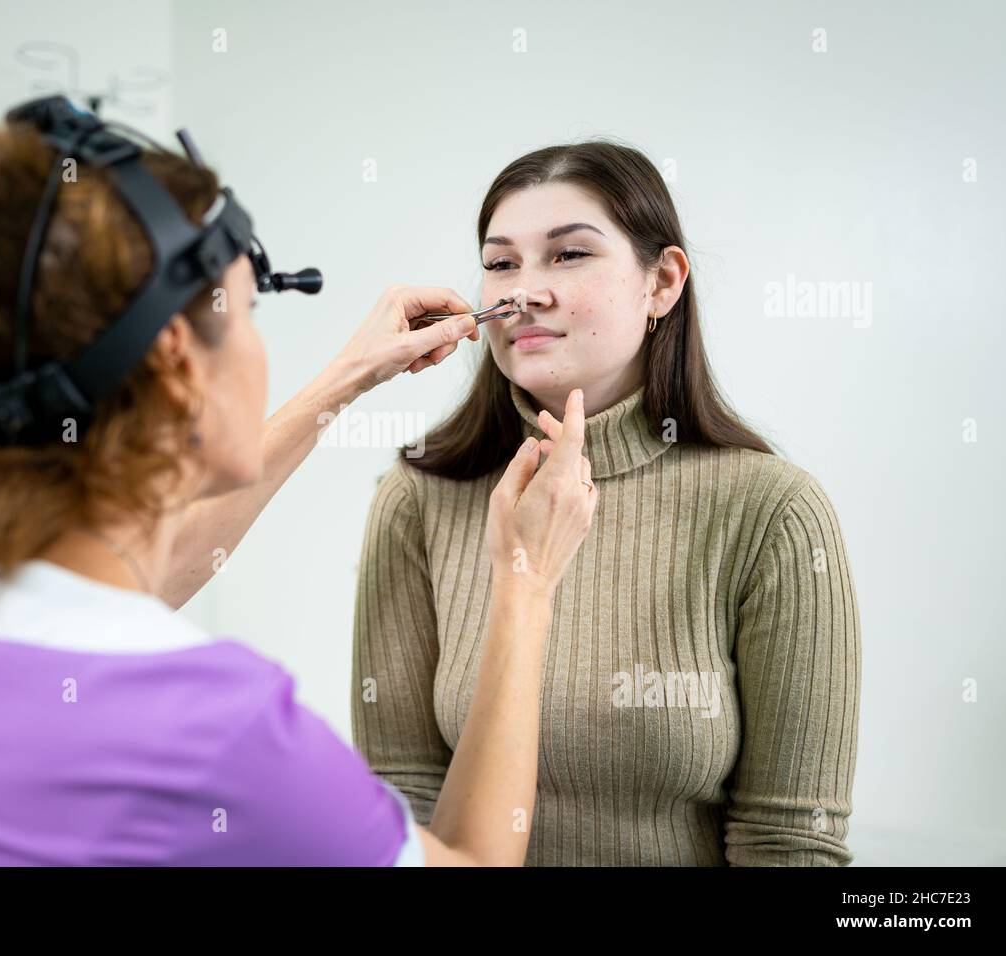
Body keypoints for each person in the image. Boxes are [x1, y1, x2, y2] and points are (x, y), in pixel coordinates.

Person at [0, 114, 598, 866]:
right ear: (179, 363)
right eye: (248, 311)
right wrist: (524, 583)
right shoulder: (215, 731)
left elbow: (126, 578)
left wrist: (344, 380)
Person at [352, 142, 862, 866]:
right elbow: (401, 815)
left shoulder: (773, 511)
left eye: (568, 256)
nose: (526, 290)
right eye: (501, 264)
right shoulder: (417, 499)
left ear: (662, 283)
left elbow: (790, 843)